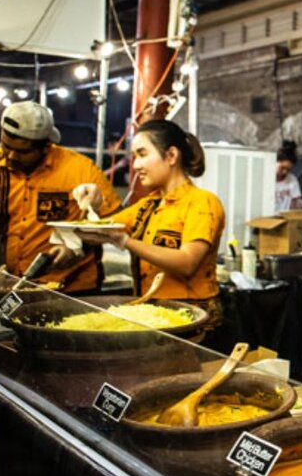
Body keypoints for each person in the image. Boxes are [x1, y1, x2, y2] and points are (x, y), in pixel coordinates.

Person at [77, 119, 226, 337]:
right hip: (155, 315)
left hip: (191, 320)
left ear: (171, 156)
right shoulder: (149, 204)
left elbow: (187, 263)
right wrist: (94, 203)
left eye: (142, 154)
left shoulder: (202, 202)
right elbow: (98, 232)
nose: (136, 165)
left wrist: (126, 242)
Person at [0, 101, 120, 293]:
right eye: (6, 146)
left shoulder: (81, 170)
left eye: (22, 151)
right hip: (16, 285)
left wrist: (76, 244)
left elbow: (120, 223)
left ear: (46, 147)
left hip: (73, 288)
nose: (10, 156)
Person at [274, 139, 301, 212]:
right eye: (282, 168)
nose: (285, 172)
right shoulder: (265, 178)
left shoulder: (292, 180)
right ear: (275, 162)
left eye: (288, 169)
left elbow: (295, 202)